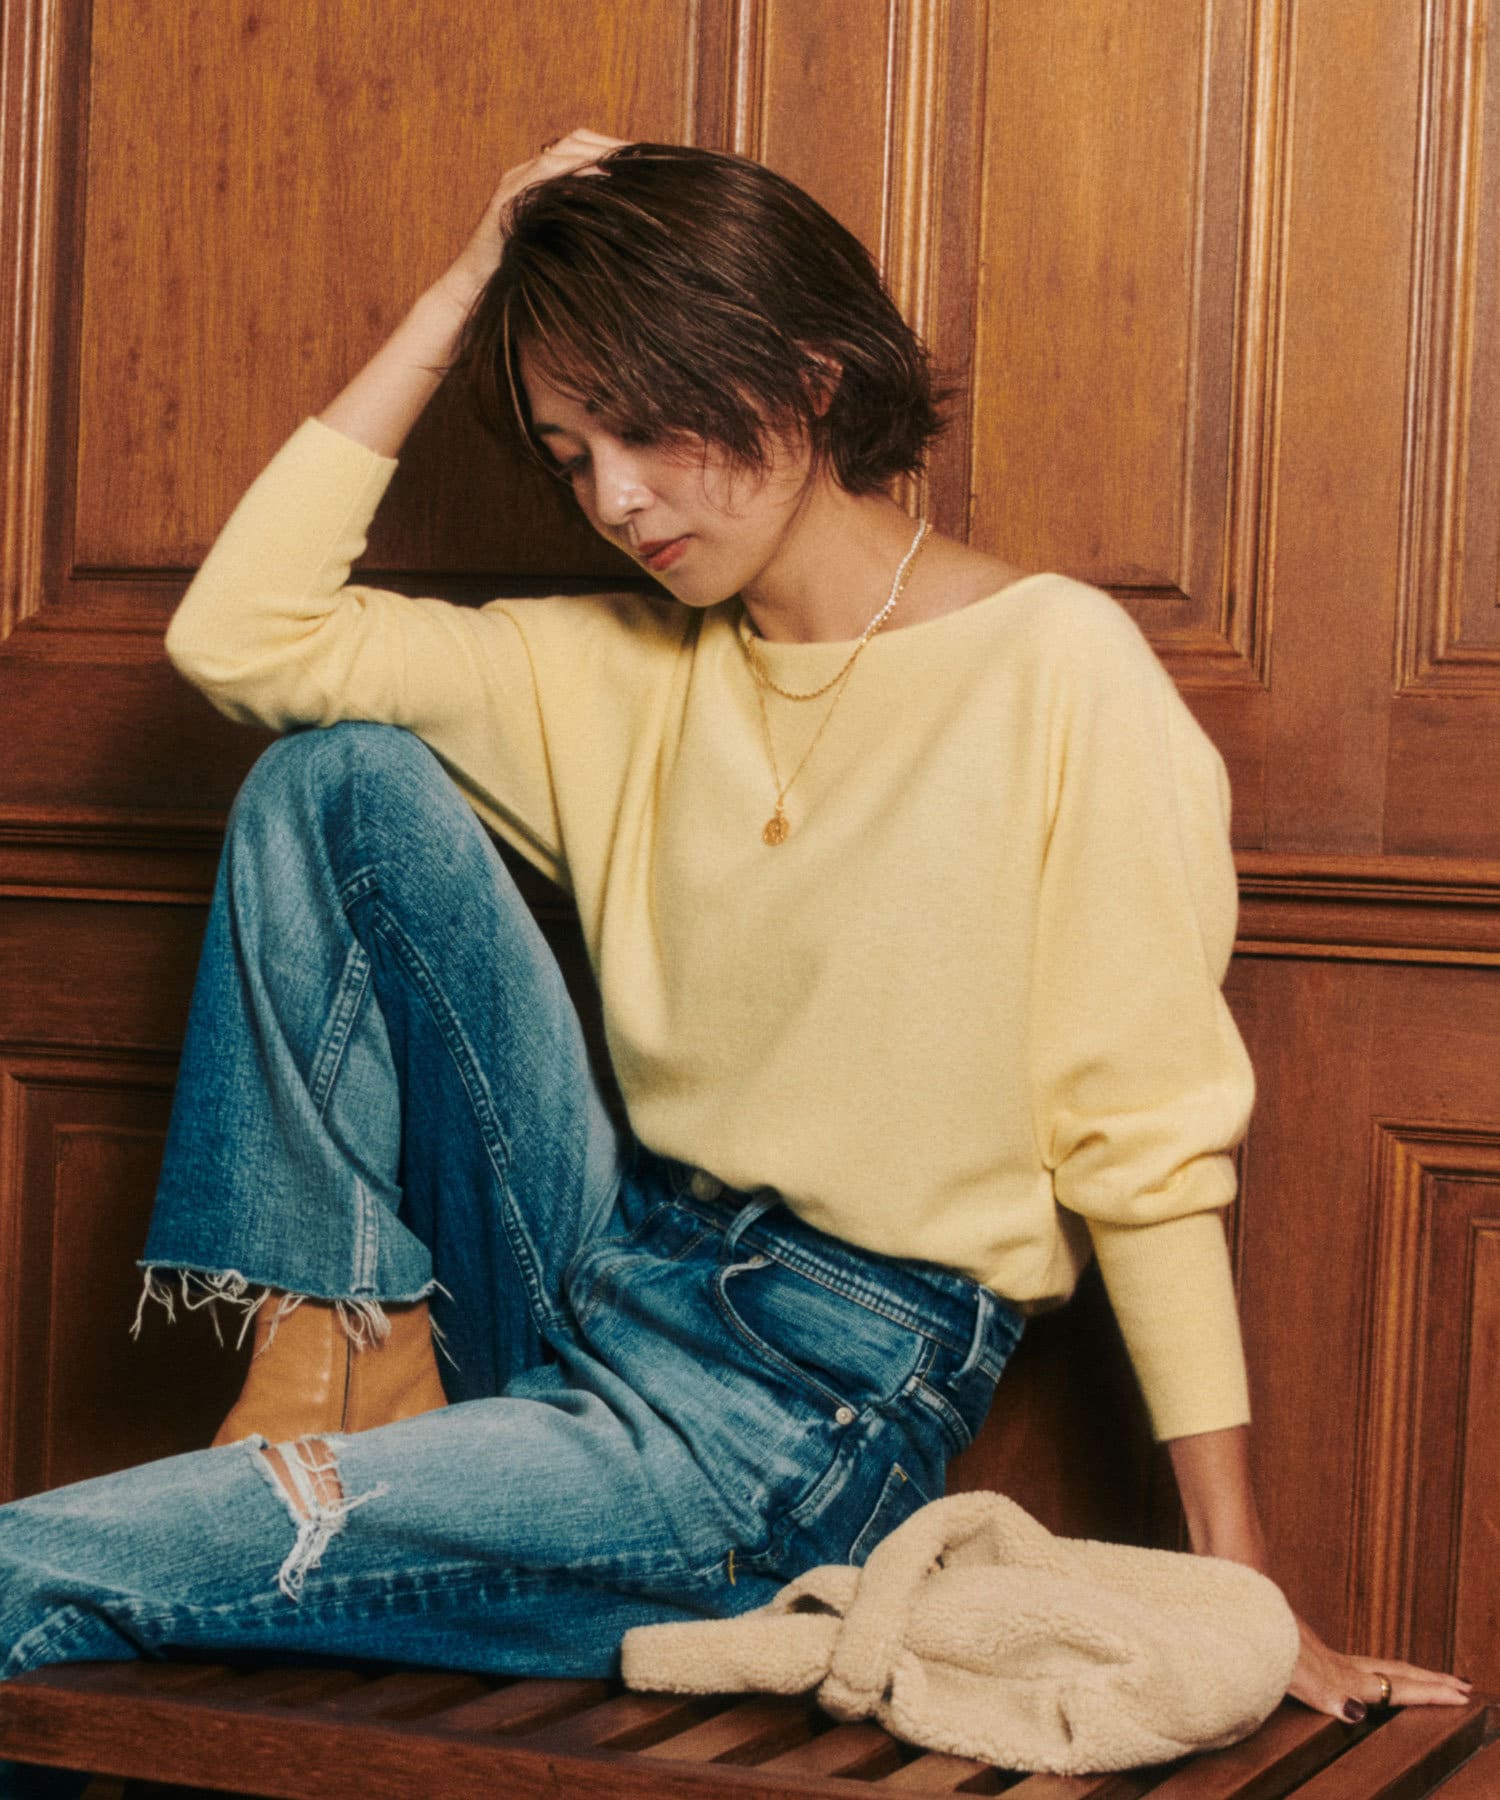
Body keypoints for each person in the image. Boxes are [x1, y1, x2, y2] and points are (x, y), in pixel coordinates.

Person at [0, 131, 1469, 1787]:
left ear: (808, 379)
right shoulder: (610, 672)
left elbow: (1147, 1145)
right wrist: (478, 274)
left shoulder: (1060, 669)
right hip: (600, 1270)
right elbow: (241, 636)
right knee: (335, 780)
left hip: (800, 1416)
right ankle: (348, 1349)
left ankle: (375, 1435)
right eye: (569, 454)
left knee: (19, 1578)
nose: (614, 498)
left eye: (648, 428)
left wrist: (1240, 1589)